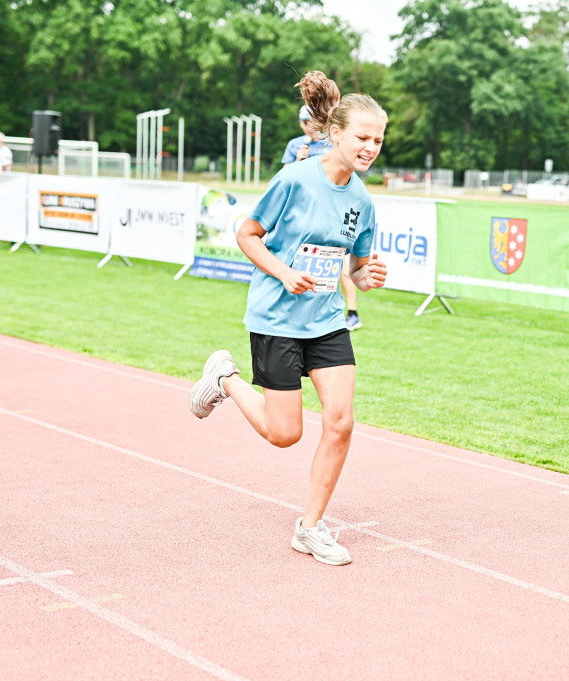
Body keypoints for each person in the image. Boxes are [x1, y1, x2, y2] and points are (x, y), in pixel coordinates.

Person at [189, 71, 388, 566]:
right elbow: (247, 233)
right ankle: (225, 378)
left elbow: (357, 270)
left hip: (325, 321)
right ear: (336, 133)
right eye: (363, 137)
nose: (370, 148)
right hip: (276, 318)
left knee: (340, 422)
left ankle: (311, 527)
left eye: (379, 140)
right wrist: (283, 271)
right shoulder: (294, 179)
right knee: (285, 435)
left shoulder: (362, 201)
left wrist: (369, 276)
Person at [282, 105, 363, 331]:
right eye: (305, 123)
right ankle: (300, 312)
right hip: (302, 214)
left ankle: (353, 312)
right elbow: (284, 178)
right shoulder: (295, 145)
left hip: (332, 213)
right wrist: (299, 159)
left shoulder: (332, 144)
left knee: (339, 262)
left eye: (313, 122)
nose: (310, 128)